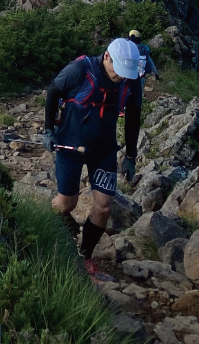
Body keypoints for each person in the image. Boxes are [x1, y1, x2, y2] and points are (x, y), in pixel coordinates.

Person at [42, 37, 142, 281]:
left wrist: (130, 156)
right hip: (70, 144)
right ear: (107, 57)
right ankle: (49, 221)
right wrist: (48, 130)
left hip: (104, 150)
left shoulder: (131, 80)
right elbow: (54, 91)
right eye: (117, 71)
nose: (120, 76)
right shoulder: (81, 69)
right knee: (67, 203)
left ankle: (85, 256)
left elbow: (133, 118)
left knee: (104, 207)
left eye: (125, 73)